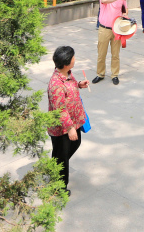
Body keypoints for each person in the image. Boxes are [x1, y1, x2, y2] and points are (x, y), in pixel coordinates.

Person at [47, 45, 90, 194]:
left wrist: (79, 85)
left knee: (72, 145)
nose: (74, 59)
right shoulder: (56, 85)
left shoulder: (67, 74)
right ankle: (59, 187)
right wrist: (70, 128)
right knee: (62, 155)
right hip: (62, 127)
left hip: (73, 121)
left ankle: (54, 167)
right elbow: (60, 110)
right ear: (66, 63)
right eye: (73, 57)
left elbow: (70, 89)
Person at [93, 0, 128, 85]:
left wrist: (125, 16)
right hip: (104, 29)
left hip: (116, 30)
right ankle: (100, 74)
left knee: (115, 54)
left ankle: (115, 75)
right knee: (101, 54)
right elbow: (104, 1)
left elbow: (124, 9)